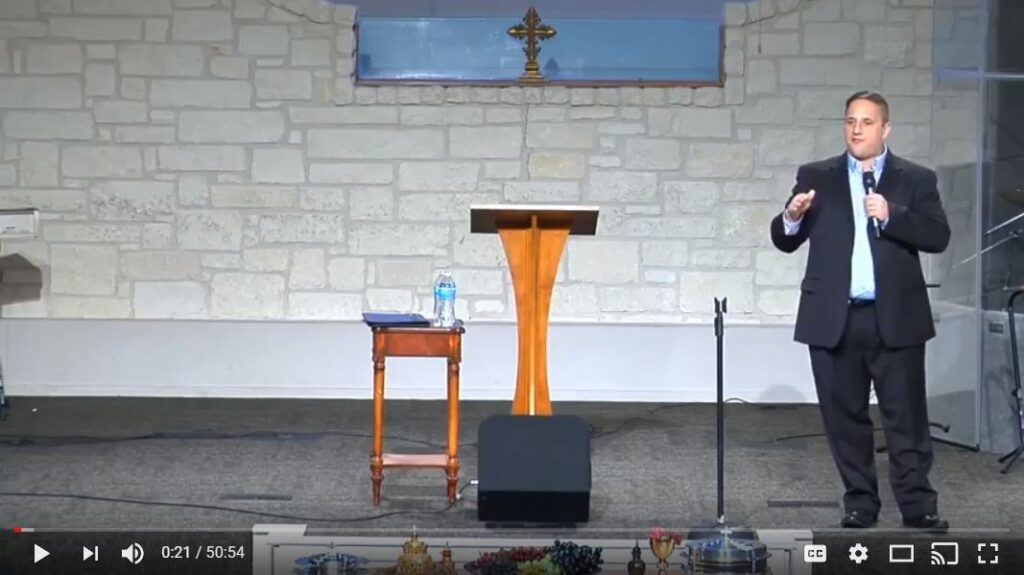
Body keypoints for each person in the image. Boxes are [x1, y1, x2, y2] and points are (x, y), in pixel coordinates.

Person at [769, 90, 951, 530]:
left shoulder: (915, 179)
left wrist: (892, 215)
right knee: (843, 418)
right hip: (834, 318)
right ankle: (860, 503)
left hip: (894, 317)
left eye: (867, 122)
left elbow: (937, 235)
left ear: (885, 128)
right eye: (851, 121)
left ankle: (917, 504)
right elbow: (785, 237)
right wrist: (791, 216)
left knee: (904, 417)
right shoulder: (818, 176)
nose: (856, 129)